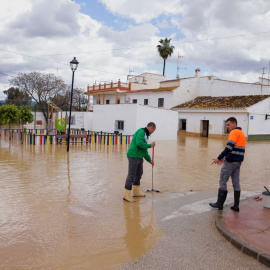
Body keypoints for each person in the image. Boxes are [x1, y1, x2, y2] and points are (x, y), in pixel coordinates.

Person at [209, 117, 246, 212]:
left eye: (228, 124)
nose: (227, 127)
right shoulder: (242, 134)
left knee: (223, 181)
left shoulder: (233, 132)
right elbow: (236, 150)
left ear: (234, 124)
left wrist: (219, 158)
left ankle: (219, 204)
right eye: (226, 125)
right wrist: (225, 158)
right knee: (236, 183)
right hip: (238, 162)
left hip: (230, 163)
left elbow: (229, 147)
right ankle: (236, 206)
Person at [123, 122, 156, 203]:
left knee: (139, 173)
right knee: (131, 174)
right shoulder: (141, 131)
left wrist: (150, 160)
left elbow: (144, 150)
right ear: (151, 127)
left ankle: (136, 192)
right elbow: (139, 143)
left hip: (139, 156)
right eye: (153, 130)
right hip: (133, 155)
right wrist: (150, 145)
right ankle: (126, 195)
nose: (153, 132)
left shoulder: (146, 135)